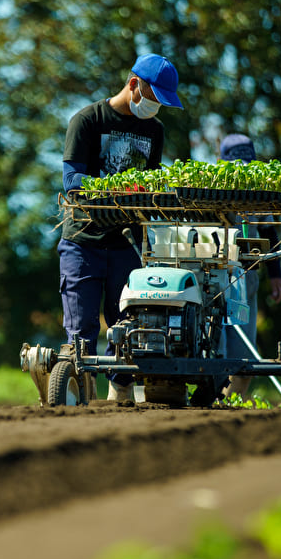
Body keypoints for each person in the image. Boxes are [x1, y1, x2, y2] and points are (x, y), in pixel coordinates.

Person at [60, 53, 184, 401]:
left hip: (127, 244)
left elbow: (151, 184)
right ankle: (80, 397)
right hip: (82, 242)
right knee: (82, 331)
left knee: (127, 328)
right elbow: (72, 179)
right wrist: (120, 189)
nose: (156, 107)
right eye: (154, 98)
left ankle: (121, 396)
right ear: (134, 85)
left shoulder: (154, 130)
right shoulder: (87, 120)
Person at [219, 133, 281, 398]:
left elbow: (269, 231)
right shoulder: (210, 190)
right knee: (216, 350)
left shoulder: (258, 193)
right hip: (214, 275)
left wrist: (276, 275)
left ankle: (233, 405)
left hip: (246, 276)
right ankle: (211, 400)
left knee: (244, 358)